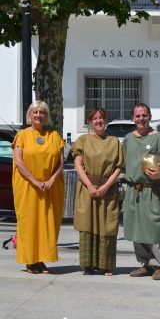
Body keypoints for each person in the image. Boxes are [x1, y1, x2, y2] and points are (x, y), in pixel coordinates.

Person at [12, 100, 64, 274]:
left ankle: (41, 259)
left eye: (42, 112)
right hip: (28, 186)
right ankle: (30, 261)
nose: (38, 115)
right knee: (29, 223)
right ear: (30, 115)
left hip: (50, 186)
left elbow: (60, 162)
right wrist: (34, 180)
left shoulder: (54, 135)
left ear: (46, 116)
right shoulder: (22, 135)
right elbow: (18, 161)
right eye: (35, 112)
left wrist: (51, 180)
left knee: (48, 223)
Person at [123, 103, 160, 280]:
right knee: (137, 228)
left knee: (155, 228)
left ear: (150, 117)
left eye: (144, 115)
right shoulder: (128, 139)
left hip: (152, 190)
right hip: (134, 190)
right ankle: (145, 264)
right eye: (137, 116)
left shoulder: (158, 137)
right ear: (133, 118)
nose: (141, 119)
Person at [71, 107, 124, 276]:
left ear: (106, 120)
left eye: (101, 117)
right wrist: (90, 185)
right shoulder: (83, 140)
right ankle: (87, 265)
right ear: (89, 122)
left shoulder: (114, 141)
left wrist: (106, 186)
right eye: (95, 118)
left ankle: (106, 265)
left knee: (107, 226)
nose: (98, 121)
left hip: (108, 189)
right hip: (87, 189)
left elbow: (119, 167)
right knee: (88, 224)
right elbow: (78, 165)